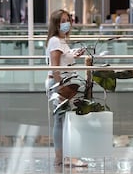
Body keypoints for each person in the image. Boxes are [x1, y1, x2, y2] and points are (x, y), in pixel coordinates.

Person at [45, 9, 87, 167]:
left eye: (67, 19)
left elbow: (63, 60)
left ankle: (62, 157)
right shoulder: (55, 40)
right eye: (62, 20)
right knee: (63, 120)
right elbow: (55, 66)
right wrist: (60, 87)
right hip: (60, 84)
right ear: (56, 24)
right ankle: (65, 157)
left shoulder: (62, 41)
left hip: (65, 83)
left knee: (63, 120)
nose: (66, 23)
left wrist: (73, 55)